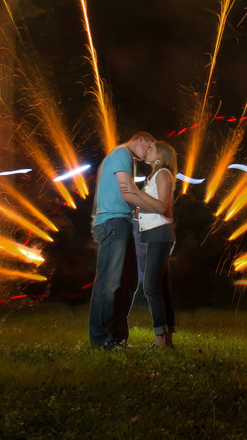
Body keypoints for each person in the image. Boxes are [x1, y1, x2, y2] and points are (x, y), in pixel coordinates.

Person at [88, 131, 166, 349]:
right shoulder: (123, 154)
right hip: (114, 223)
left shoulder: (118, 157)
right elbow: (127, 191)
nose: (147, 154)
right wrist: (160, 208)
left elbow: (110, 192)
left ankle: (117, 337)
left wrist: (95, 218)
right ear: (141, 139)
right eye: (149, 147)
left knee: (128, 282)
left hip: (118, 222)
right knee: (110, 283)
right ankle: (102, 339)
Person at [136, 140, 177, 348]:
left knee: (150, 286)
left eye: (152, 149)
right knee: (160, 285)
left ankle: (159, 337)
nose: (147, 150)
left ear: (160, 156)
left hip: (160, 233)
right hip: (155, 233)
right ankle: (167, 336)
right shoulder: (153, 176)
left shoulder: (163, 174)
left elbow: (162, 206)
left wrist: (138, 195)